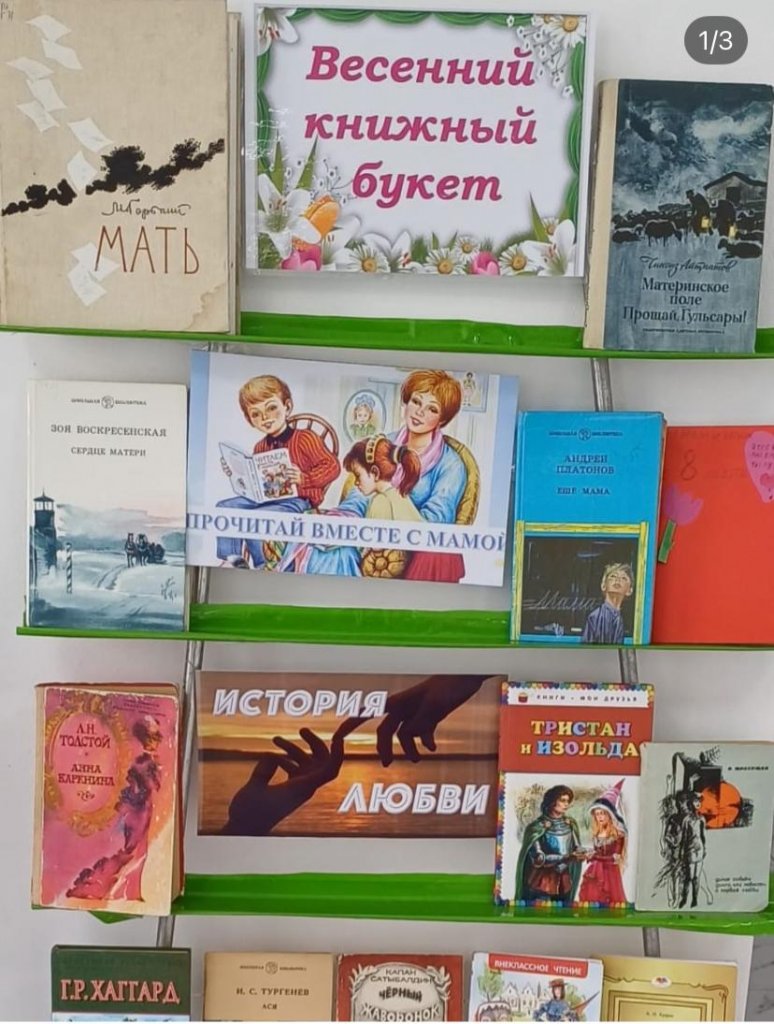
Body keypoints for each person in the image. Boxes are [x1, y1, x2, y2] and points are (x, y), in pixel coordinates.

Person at [286, 369, 468, 581]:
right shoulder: (382, 443)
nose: (419, 412)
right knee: (328, 549)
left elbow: (435, 522)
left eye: (432, 409)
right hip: (368, 532)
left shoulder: (452, 465)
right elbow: (360, 494)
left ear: (442, 420)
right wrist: (341, 519)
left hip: (413, 545)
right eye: (416, 401)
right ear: (406, 401)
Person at [216, 374, 340, 567]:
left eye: (271, 408)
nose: (265, 418)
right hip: (266, 498)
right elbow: (257, 481)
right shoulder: (260, 446)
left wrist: (304, 478)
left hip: (298, 500)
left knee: (257, 517)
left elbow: (332, 467)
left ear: (287, 407)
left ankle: (262, 564)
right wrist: (236, 473)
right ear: (249, 420)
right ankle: (233, 559)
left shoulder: (305, 438)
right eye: (256, 414)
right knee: (225, 507)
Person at [66, 716, 164, 902]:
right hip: (138, 811)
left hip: (141, 809)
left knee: (136, 851)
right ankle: (112, 890)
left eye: (157, 736)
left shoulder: (146, 761)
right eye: (153, 736)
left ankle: (125, 890)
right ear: (145, 738)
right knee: (132, 851)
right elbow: (145, 787)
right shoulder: (141, 763)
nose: (158, 740)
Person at [514, 785, 584, 903]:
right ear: (552, 802)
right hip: (543, 881)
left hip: (564, 880)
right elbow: (539, 859)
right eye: (562, 800)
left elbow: (576, 847)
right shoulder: (537, 827)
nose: (566, 804)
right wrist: (566, 857)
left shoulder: (570, 824)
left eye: (568, 801)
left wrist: (584, 853)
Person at [342, 434, 422, 521]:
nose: (356, 482)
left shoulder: (380, 502)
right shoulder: (401, 496)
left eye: (358, 475)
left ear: (375, 472)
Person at [577, 779, 628, 906]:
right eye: (597, 814)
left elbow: (615, 858)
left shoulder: (618, 835)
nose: (599, 817)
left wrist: (594, 857)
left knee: (610, 900)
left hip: (609, 874)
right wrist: (588, 853)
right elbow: (597, 851)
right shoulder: (596, 834)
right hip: (595, 871)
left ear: (610, 815)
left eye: (602, 814)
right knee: (591, 897)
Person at [581, 563, 633, 644]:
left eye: (623, 578)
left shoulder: (623, 620)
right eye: (613, 576)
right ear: (603, 585)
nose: (617, 580)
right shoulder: (595, 617)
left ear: (629, 590)